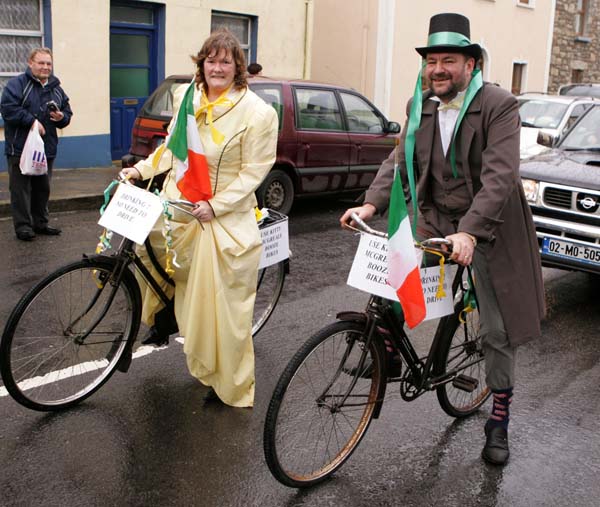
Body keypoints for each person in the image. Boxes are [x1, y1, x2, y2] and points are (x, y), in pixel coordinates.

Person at [340, 13, 545, 465]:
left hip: (490, 228)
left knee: (495, 329)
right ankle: (390, 351)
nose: (438, 69)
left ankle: (499, 418)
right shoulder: (421, 104)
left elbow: (499, 177)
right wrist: (370, 204)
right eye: (432, 60)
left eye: (448, 60)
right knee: (396, 272)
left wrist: (470, 232)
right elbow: (399, 160)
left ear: (470, 64)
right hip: (436, 216)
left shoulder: (498, 105)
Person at [121, 29, 278, 408]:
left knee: (223, 309)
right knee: (149, 250)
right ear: (202, 63)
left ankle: (228, 382)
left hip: (220, 214)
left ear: (237, 67)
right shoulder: (188, 96)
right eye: (212, 60)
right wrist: (141, 171)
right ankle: (164, 316)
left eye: (226, 61)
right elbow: (172, 148)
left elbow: (255, 171)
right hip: (180, 205)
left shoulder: (258, 113)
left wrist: (218, 205)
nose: (218, 67)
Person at [1, 47, 73, 241]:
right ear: (30, 63)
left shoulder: (56, 88)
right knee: (21, 190)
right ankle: (23, 227)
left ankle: (40, 223)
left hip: (46, 149)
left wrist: (61, 117)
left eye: (48, 63)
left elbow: (67, 113)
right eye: (41, 63)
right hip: (20, 148)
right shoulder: (17, 85)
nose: (45, 67)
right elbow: (8, 109)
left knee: (43, 188)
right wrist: (31, 121)